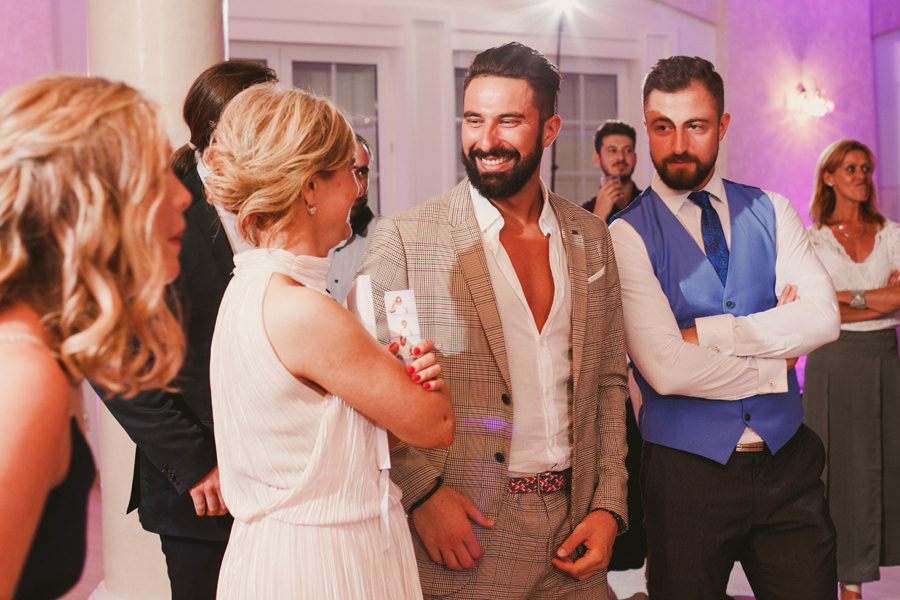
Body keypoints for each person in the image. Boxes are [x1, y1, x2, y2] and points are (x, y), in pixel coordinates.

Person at [358, 41, 628, 600]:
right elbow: (377, 386)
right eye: (474, 120)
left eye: (509, 121)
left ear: (549, 130)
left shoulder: (591, 237)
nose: (486, 140)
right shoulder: (406, 241)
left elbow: (608, 380)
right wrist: (421, 494)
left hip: (574, 533)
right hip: (464, 534)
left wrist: (608, 505)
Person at [204, 84, 454, 599]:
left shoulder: (248, 286)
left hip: (283, 552)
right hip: (321, 566)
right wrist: (421, 365)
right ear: (310, 188)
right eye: (347, 171)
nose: (357, 190)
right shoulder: (304, 310)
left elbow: (331, 437)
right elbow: (435, 425)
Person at [608, 55, 841, 598]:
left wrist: (707, 336)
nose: (678, 144)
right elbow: (665, 369)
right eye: (662, 127)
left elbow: (823, 317)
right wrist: (776, 362)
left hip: (788, 465)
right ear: (647, 127)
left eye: (696, 126)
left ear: (722, 126)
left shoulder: (773, 209)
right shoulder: (626, 234)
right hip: (685, 476)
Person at [0, 75, 190, 599]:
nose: (182, 196)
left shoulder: (42, 353)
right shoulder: (25, 374)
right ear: (91, 203)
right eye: (156, 177)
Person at [95, 60, 276, 600]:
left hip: (277, 471)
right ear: (221, 133)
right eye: (267, 118)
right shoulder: (155, 210)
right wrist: (196, 466)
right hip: (203, 488)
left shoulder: (278, 199)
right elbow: (114, 360)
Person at [803, 139, 900, 600]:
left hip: (882, 362)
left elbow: (898, 300)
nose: (862, 176)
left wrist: (842, 299)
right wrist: (878, 298)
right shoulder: (813, 240)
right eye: (850, 168)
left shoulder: (892, 235)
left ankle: (857, 581)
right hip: (831, 362)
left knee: (877, 467)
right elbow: (813, 308)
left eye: (866, 168)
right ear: (828, 177)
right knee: (829, 471)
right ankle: (834, 579)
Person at [326, 133, 378, 303]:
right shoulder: (305, 241)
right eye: (346, 171)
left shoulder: (388, 238)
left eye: (361, 172)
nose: (355, 185)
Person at [582, 119, 642, 222]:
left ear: (635, 158)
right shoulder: (582, 213)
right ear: (597, 159)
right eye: (612, 150)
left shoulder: (654, 205)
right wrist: (599, 215)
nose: (621, 157)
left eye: (627, 150)